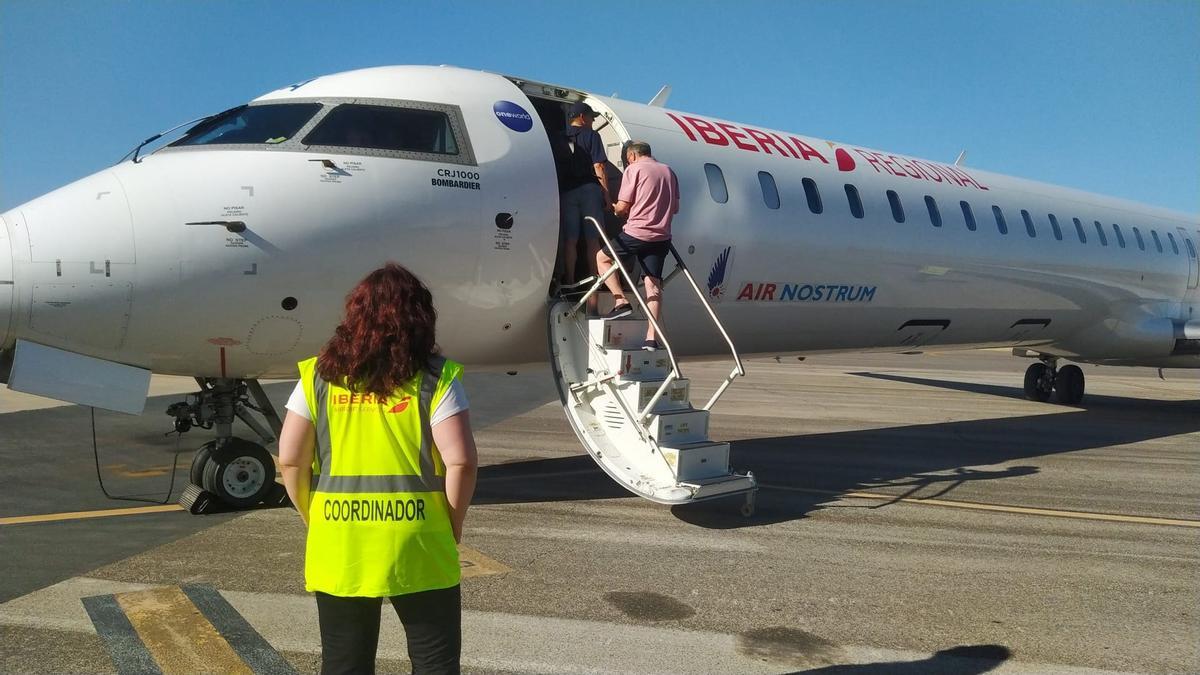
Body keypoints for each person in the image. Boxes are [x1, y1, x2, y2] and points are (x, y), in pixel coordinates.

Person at [278, 263, 478, 675]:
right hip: (418, 539)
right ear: (421, 320)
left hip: (340, 539)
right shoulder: (436, 380)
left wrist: (312, 516)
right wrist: (452, 523)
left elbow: (290, 458)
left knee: (344, 662)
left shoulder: (318, 377)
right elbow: (461, 461)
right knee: (434, 661)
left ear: (353, 317)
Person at [596, 141, 679, 350]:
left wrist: (615, 209)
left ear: (632, 156)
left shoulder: (634, 169)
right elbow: (675, 208)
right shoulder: (668, 171)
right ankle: (651, 338)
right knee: (653, 286)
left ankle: (620, 301)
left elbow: (623, 207)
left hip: (636, 233)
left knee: (602, 258)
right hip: (661, 237)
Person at [556, 102, 613, 289]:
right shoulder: (592, 135)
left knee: (570, 240)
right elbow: (599, 165)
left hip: (566, 192)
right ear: (582, 117)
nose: (592, 120)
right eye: (591, 117)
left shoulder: (559, 138)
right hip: (588, 189)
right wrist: (606, 194)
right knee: (592, 239)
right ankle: (594, 278)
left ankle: (570, 279)